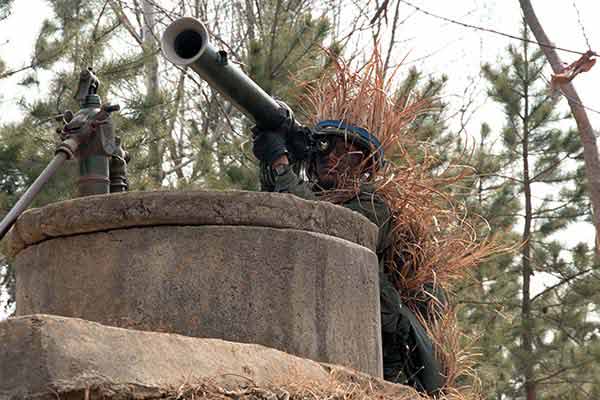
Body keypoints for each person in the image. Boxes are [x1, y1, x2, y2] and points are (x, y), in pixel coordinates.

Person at [252, 119, 445, 394]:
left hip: (373, 348)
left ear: (364, 166)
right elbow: (275, 220)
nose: (331, 157)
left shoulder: (374, 205)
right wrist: (279, 160)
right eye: (325, 147)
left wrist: (282, 165)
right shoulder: (308, 192)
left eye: (345, 152)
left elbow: (322, 228)